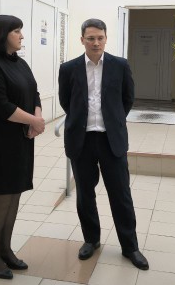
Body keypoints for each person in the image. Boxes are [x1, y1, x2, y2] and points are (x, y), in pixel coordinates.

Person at [58, 18, 149, 270]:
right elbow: (66, 101)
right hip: (82, 140)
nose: (96, 43)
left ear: (106, 39)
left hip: (111, 140)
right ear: (82, 40)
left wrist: (113, 119)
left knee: (121, 194)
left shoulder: (120, 65)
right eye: (91, 38)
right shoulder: (68, 68)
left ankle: (130, 247)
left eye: (100, 38)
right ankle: (91, 240)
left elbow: (128, 98)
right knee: (85, 194)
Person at [0, 14, 45, 280]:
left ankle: (5, 250)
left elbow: (34, 92)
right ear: (2, 35)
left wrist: (36, 116)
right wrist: (33, 121)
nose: (21, 36)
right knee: (2, 196)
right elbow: (1, 105)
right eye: (16, 31)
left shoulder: (20, 63)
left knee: (14, 194)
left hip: (20, 139)